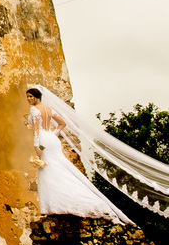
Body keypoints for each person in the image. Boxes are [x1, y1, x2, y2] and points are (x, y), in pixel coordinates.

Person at [26, 87, 133, 225]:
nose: (28, 99)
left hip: (43, 139)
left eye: (30, 96)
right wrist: (54, 134)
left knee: (48, 169)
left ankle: (55, 205)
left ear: (36, 97)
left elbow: (36, 130)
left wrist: (36, 146)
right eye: (27, 97)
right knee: (60, 167)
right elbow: (62, 123)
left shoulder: (34, 110)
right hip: (52, 139)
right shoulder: (49, 109)